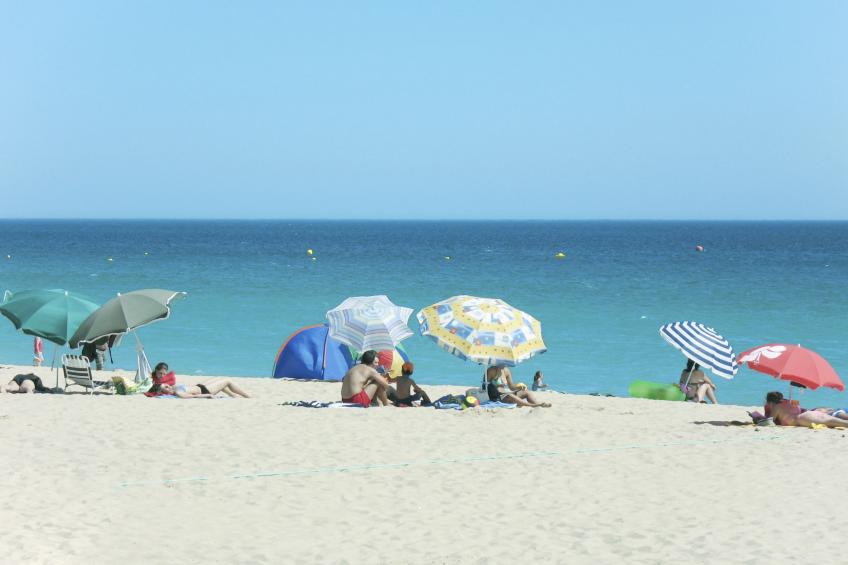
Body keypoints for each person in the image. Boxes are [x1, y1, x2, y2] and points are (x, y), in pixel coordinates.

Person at [764, 391, 848, 428]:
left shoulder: (776, 407)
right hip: (807, 414)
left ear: (770, 402)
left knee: (840, 423)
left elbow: (769, 421)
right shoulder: (792, 401)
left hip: (803, 419)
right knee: (838, 422)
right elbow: (799, 408)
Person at [485, 365, 551, 408]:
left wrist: (519, 388)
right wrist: (496, 385)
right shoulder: (491, 370)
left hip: (506, 395)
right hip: (497, 396)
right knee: (509, 395)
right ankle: (534, 405)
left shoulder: (506, 371)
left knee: (526, 392)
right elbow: (485, 386)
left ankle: (538, 405)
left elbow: (511, 387)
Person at [149, 379, 251, 398]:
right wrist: (209, 395)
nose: (167, 386)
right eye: (165, 387)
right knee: (227, 381)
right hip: (204, 390)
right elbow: (195, 396)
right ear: (164, 392)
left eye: (165, 384)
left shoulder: (174, 388)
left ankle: (233, 396)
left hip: (200, 386)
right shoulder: (178, 393)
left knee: (220, 379)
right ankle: (247, 396)